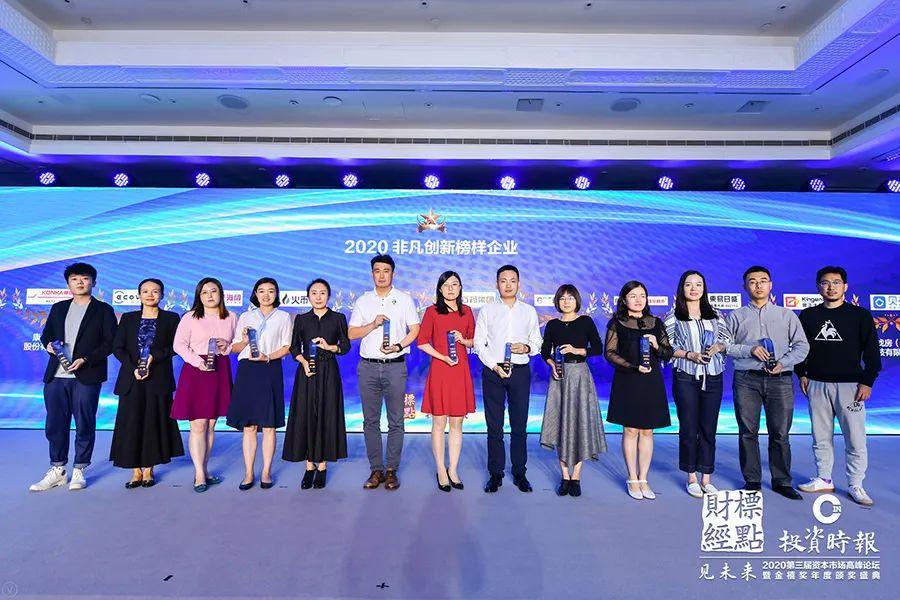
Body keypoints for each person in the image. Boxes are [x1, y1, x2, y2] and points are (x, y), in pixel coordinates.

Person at [795, 266, 881, 506]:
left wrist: (867, 381)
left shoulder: (860, 315)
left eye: (836, 282)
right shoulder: (808, 316)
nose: (830, 287)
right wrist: (801, 373)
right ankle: (824, 478)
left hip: (851, 386)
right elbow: (800, 348)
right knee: (820, 436)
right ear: (818, 287)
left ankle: (856, 484)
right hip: (816, 384)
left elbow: (872, 353)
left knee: (855, 438)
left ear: (845, 286)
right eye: (825, 283)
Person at [30, 262, 117, 492]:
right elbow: (46, 335)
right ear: (68, 283)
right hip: (56, 376)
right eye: (75, 279)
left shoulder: (103, 310)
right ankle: (58, 469)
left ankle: (80, 468)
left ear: (93, 282)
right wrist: (48, 345)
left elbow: (110, 342)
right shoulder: (58, 308)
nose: (80, 282)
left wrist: (86, 359)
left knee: (84, 422)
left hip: (86, 375)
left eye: (85, 278)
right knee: (55, 423)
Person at [725, 266, 809, 500]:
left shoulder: (787, 315)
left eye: (763, 281)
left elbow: (802, 346)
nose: (758, 285)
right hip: (746, 380)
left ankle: (782, 481)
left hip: (780, 380)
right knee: (747, 432)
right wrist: (749, 350)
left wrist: (783, 363)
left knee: (780, 433)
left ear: (771, 285)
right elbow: (724, 346)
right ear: (745, 287)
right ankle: (752, 480)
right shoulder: (735, 316)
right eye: (752, 281)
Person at [348, 255, 420, 490]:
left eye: (386, 271)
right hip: (368, 366)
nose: (381, 275)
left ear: (393, 274)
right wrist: (373, 324)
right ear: (372, 274)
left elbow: (415, 329)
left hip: (395, 366)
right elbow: (351, 333)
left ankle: (391, 471)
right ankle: (376, 470)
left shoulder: (404, 299)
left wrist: (398, 346)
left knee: (396, 421)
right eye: (377, 271)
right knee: (370, 421)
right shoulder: (363, 301)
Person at [474, 264, 542, 494]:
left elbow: (537, 342)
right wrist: (493, 365)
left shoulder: (529, 311)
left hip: (520, 371)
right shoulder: (487, 310)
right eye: (503, 281)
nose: (508, 285)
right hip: (493, 372)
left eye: (512, 280)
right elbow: (478, 343)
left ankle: (520, 471)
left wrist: (526, 347)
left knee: (519, 424)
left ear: (519, 284)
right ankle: (495, 473)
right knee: (494, 425)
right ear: (497, 284)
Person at [109, 278, 184, 488]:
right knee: (130, 423)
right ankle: (135, 471)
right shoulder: (128, 318)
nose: (150, 295)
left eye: (155, 291)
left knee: (153, 422)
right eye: (145, 291)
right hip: (131, 378)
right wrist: (133, 366)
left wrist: (154, 357)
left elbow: (175, 346)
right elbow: (117, 347)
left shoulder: (171, 318)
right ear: (139, 295)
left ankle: (149, 469)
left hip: (157, 378)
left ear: (162, 295)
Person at [663, 270, 731, 498]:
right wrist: (690, 355)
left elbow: (727, 339)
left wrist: (718, 347)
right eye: (689, 284)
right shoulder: (673, 316)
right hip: (686, 376)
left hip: (713, 376)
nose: (694, 289)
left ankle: (706, 477)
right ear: (682, 288)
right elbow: (667, 347)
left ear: (704, 288)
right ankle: (691, 476)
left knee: (709, 428)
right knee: (689, 428)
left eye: (698, 284)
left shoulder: (716, 314)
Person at [605, 280, 673, 500]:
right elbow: (610, 353)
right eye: (633, 296)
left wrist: (656, 345)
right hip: (628, 379)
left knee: (647, 431)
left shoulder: (656, 323)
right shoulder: (617, 323)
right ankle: (632, 478)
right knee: (630, 430)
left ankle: (644, 478)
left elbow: (667, 353)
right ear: (624, 300)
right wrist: (633, 367)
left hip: (651, 381)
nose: (638, 300)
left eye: (642, 295)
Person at [539, 284, 606, 498]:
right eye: (562, 298)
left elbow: (598, 348)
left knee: (579, 423)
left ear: (577, 300)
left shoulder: (585, 321)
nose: (566, 301)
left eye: (570, 297)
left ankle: (576, 477)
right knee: (561, 424)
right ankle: (565, 476)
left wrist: (577, 350)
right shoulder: (552, 325)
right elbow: (544, 351)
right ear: (557, 302)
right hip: (559, 377)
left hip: (580, 376)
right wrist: (551, 364)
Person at [283, 278, 351, 490]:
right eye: (314, 293)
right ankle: (309, 466)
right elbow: (294, 347)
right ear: (308, 296)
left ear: (328, 296)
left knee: (326, 414)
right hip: (307, 372)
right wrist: (303, 362)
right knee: (306, 415)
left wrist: (330, 347)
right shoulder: (302, 319)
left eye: (322, 293)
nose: (318, 297)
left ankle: (322, 466)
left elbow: (345, 346)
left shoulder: (338, 318)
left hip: (329, 371)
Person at [171, 277, 237, 493]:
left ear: (221, 294)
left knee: (210, 424)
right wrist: (198, 362)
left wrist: (226, 346)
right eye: (204, 292)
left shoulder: (231, 317)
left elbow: (235, 345)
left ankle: (205, 469)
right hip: (196, 371)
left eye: (213, 291)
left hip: (219, 370)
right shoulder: (190, 317)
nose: (209, 296)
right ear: (198, 296)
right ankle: (199, 473)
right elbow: (179, 345)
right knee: (198, 425)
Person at [227, 278, 292, 491]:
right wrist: (245, 340)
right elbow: (235, 348)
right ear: (255, 293)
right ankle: (248, 473)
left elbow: (287, 346)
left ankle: (266, 471)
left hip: (270, 368)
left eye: (271, 291)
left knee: (269, 425)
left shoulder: (283, 317)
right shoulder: (246, 316)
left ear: (276, 294)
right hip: (248, 371)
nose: (266, 295)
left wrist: (267, 357)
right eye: (261, 291)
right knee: (249, 426)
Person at [416, 271, 476, 492]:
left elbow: (474, 341)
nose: (451, 288)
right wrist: (442, 357)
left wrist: (464, 340)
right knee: (439, 423)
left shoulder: (467, 311)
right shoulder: (432, 312)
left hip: (460, 371)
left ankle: (454, 469)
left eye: (455, 284)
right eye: (446, 285)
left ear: (460, 288)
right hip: (441, 370)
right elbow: (422, 342)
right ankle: (441, 469)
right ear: (440, 289)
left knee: (457, 423)